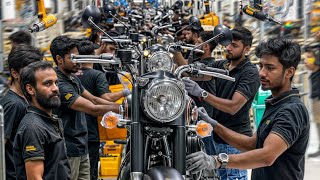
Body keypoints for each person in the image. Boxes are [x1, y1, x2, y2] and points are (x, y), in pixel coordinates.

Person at [186, 38, 310, 180]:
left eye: (270, 68)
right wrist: (214, 125)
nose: (262, 73)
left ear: (289, 72)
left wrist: (216, 161)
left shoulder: (291, 110)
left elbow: (267, 155)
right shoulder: (275, 104)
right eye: (261, 66)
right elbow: (253, 144)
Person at [183, 26, 260, 180]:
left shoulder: (250, 73)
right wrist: (177, 53)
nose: (229, 48)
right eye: (229, 44)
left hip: (235, 141)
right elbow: (197, 75)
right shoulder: (222, 65)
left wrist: (203, 93)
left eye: (235, 46)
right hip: (217, 136)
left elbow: (233, 107)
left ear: (247, 49)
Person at [50, 36, 120, 180]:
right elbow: (92, 108)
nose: (78, 61)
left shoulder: (73, 78)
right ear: (59, 59)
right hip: (68, 148)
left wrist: (123, 105)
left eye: (79, 57)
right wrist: (124, 109)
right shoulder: (59, 85)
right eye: (73, 57)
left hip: (82, 145)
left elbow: (95, 99)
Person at [76, 40, 130, 180]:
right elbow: (107, 98)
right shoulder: (96, 75)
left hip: (72, 131)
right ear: (93, 54)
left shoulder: (71, 75)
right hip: (90, 131)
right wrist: (125, 92)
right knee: (90, 171)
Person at [13, 61, 70, 179]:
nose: (55, 88)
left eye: (56, 83)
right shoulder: (33, 127)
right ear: (30, 89)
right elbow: (35, 177)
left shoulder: (48, 120)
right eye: (48, 84)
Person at [0, 45, 42, 179]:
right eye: (29, 69)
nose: (34, 74)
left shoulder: (25, 98)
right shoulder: (13, 104)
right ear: (14, 73)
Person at [304, 47, 320, 158]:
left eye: (309, 56)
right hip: (316, 96)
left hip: (318, 97)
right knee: (318, 123)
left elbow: (314, 66)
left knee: (319, 122)